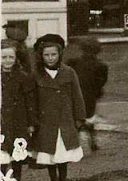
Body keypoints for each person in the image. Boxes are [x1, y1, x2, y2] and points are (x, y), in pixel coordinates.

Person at [31, 34, 85, 181]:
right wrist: (33, 121)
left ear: (59, 54)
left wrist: (79, 118)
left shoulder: (69, 72)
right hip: (46, 122)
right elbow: (32, 100)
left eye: (53, 54)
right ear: (41, 56)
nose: (50, 58)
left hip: (65, 120)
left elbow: (77, 96)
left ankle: (63, 178)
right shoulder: (36, 75)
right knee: (49, 153)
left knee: (63, 153)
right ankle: (53, 178)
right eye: (46, 55)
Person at [1, 40, 38, 180]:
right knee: (2, 156)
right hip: (2, 122)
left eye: (11, 57)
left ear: (16, 59)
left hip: (18, 122)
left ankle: (17, 178)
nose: (7, 60)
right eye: (4, 57)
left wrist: (31, 123)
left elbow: (30, 101)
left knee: (17, 156)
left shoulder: (23, 77)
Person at [65, 37, 107, 152]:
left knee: (76, 119)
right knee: (89, 118)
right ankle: (92, 140)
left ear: (82, 49)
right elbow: (101, 82)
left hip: (75, 94)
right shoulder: (101, 66)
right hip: (90, 96)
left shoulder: (73, 62)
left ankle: (74, 145)